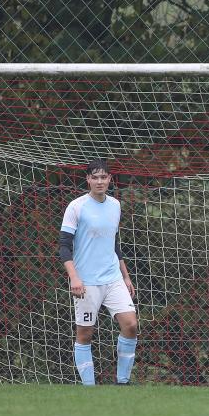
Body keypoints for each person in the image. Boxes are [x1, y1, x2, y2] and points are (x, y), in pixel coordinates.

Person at [59, 159, 138, 385]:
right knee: (85, 335)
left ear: (110, 179)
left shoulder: (115, 205)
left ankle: (123, 382)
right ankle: (89, 389)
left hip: (113, 278)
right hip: (86, 282)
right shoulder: (76, 207)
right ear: (88, 179)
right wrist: (74, 276)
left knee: (131, 325)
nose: (100, 181)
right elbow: (64, 246)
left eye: (104, 177)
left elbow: (113, 243)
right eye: (95, 177)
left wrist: (125, 276)